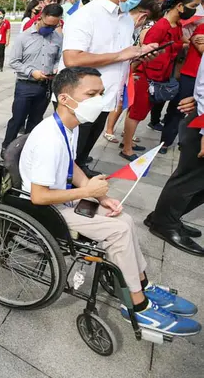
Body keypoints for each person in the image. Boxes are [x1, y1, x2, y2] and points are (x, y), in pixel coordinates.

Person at [19, 66, 201, 335]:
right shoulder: (49, 138)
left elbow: (71, 166)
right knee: (118, 231)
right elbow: (39, 196)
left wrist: (101, 196)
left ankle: (141, 283)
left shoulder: (69, 126)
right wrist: (86, 192)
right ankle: (137, 307)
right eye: (92, 94)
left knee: (124, 219)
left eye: (101, 93)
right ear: (66, 99)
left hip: (62, 200)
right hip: (46, 208)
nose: (100, 99)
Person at [60, 0, 160, 177]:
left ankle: (79, 173)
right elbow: (72, 59)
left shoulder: (125, 20)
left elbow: (120, 57)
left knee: (84, 150)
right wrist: (120, 55)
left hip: (107, 99)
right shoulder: (86, 16)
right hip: (81, 100)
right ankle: (62, 188)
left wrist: (139, 56)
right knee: (67, 154)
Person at [119, 0, 201, 161]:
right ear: (180, 6)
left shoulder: (177, 25)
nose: (195, 10)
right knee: (137, 113)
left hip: (160, 76)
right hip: (147, 76)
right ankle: (126, 148)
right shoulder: (160, 27)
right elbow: (145, 54)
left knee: (140, 112)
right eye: (193, 6)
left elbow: (176, 45)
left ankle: (127, 141)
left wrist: (186, 43)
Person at [145, 52, 204, 256]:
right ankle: (164, 223)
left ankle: (165, 217)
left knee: (195, 180)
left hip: (200, 116)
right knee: (190, 178)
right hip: (201, 124)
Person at [3, 4, 64, 157]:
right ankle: (7, 148)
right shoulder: (24, 37)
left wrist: (56, 68)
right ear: (40, 17)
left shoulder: (57, 38)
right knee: (17, 120)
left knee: (36, 121)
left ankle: (28, 150)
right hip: (26, 85)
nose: (49, 28)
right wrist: (32, 72)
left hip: (45, 86)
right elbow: (14, 62)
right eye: (47, 24)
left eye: (54, 25)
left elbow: (58, 58)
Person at [102, 0, 162, 144]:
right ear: (143, 16)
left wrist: (138, 58)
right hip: (102, 85)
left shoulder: (129, 30)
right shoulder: (115, 28)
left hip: (118, 81)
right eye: (146, 21)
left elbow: (125, 59)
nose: (144, 25)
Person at [159, 0, 204, 152]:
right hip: (191, 76)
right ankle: (165, 142)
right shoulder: (201, 27)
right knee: (179, 108)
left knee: (197, 113)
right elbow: (201, 48)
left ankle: (189, 141)